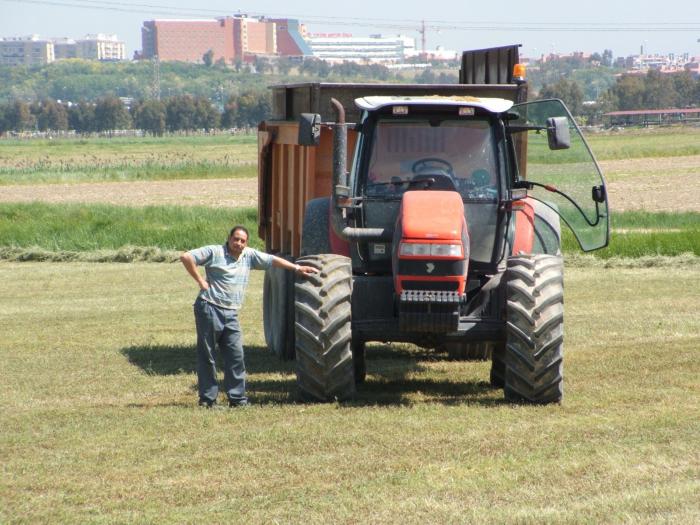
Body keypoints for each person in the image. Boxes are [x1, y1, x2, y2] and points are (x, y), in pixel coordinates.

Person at [180, 225, 318, 409]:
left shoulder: (249, 256)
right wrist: (200, 281)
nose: (238, 243)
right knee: (208, 356)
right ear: (229, 238)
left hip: (231, 312)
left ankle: (237, 400)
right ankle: (208, 400)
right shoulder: (215, 252)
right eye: (235, 239)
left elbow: (272, 260)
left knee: (236, 356)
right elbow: (186, 257)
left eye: (242, 241)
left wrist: (296, 268)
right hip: (209, 308)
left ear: (246, 243)